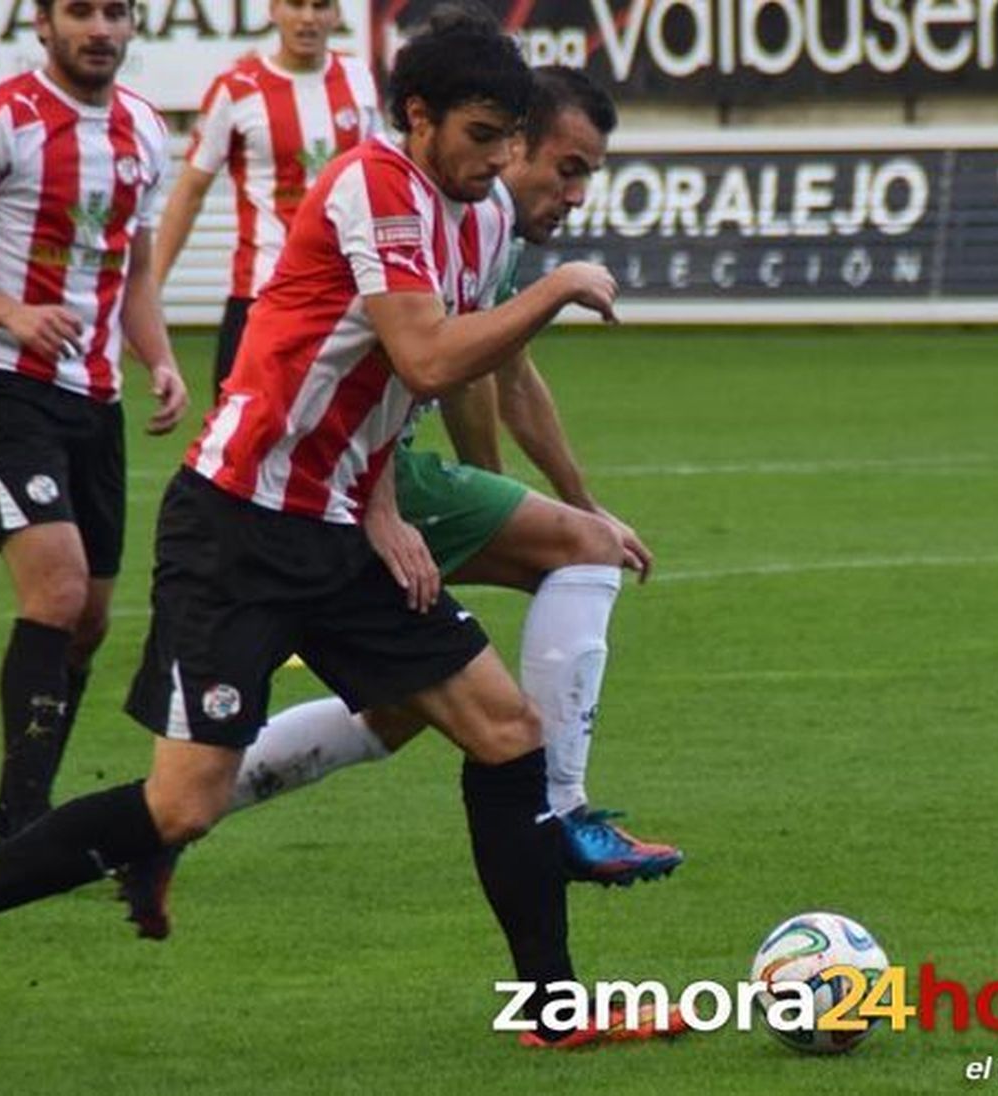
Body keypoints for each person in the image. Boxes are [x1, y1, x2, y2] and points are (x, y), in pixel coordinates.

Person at [0, 18, 679, 1053]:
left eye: (510, 139)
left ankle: (555, 1011)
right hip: (239, 528)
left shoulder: (473, 219)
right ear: (418, 117)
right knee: (183, 803)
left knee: (508, 734)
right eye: (479, 134)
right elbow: (423, 357)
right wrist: (559, 288)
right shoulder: (371, 186)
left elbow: (391, 389)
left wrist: (380, 504)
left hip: (338, 526)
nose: (497, 160)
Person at [122, 67, 680, 941]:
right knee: (581, 556)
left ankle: (160, 830)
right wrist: (502, 500)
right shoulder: (421, 200)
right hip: (340, 478)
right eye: (564, 167)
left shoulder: (486, 223)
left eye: (588, 176)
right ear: (512, 139)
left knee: (398, 716)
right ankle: (565, 810)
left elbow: (505, 368)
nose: (572, 193)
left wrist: (572, 495)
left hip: (365, 472)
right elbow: (439, 363)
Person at [0, 0, 188, 852]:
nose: (98, 29)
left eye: (115, 13)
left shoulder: (144, 130)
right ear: (42, 23)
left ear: (133, 25)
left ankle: (23, 813)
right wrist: (13, 314)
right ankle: (18, 824)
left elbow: (132, 275)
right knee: (57, 592)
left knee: (90, 618)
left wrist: (159, 359)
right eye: (79, 12)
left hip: (93, 402)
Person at [153, 0, 382, 400]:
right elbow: (189, 191)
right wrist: (149, 288)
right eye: (296, 4)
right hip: (262, 294)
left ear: (335, 14)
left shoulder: (358, 78)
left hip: (347, 294)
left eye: (320, 6)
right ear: (274, 9)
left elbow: (379, 181)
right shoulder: (237, 88)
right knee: (235, 441)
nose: (308, 18)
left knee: (348, 444)